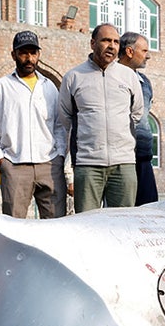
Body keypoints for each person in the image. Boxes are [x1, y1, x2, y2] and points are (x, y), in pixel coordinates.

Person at [56, 23, 144, 212]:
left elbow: (136, 113)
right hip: (88, 164)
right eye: (105, 40)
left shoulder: (129, 76)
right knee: (88, 225)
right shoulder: (74, 77)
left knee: (123, 224)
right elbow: (65, 117)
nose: (111, 46)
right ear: (93, 43)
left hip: (124, 163)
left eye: (115, 41)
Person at [0, 30, 65, 219]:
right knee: (14, 224)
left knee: (55, 223)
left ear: (38, 55)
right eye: (23, 53)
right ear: (14, 55)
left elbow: (59, 125)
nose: (29, 58)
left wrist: (59, 155)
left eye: (33, 53)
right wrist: (1, 160)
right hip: (15, 164)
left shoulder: (49, 86)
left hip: (49, 164)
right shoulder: (1, 86)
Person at [118, 31, 157, 205]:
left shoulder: (145, 81)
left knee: (149, 207)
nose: (147, 56)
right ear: (129, 51)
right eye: (144, 51)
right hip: (121, 157)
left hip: (143, 155)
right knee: (123, 210)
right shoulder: (112, 77)